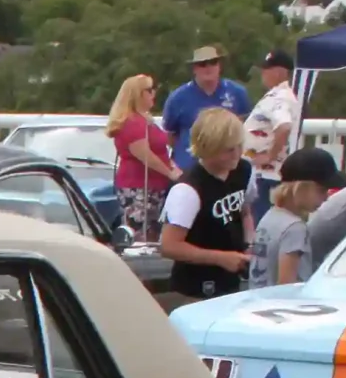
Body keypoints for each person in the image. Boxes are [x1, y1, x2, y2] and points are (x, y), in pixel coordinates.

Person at [160, 106, 254, 300]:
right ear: (208, 149)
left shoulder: (243, 170)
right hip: (195, 288)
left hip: (231, 280)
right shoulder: (188, 189)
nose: (237, 154)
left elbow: (244, 210)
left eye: (239, 146)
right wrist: (220, 258)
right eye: (228, 150)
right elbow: (169, 246)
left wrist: (249, 243)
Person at [248, 146, 343, 288]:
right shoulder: (295, 229)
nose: (326, 198)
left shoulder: (270, 216)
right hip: (280, 306)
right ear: (301, 187)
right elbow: (286, 285)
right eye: (322, 190)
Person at [106, 73, 178, 242]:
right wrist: (169, 173)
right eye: (149, 90)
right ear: (138, 94)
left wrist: (173, 166)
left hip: (153, 188)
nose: (154, 94)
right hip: (139, 187)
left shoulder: (146, 120)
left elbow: (160, 149)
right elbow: (144, 154)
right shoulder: (133, 122)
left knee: (151, 232)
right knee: (139, 233)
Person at [162, 45, 250, 172]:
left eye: (213, 62)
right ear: (194, 69)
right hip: (189, 168)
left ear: (219, 66)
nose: (208, 68)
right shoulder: (177, 98)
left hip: (227, 169)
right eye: (203, 64)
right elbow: (170, 135)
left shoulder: (237, 93)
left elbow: (242, 127)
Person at [243, 49, 300, 188]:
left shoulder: (279, 98)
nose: (263, 73)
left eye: (267, 68)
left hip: (265, 175)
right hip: (260, 174)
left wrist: (269, 156)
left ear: (280, 72)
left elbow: (284, 127)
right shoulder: (277, 96)